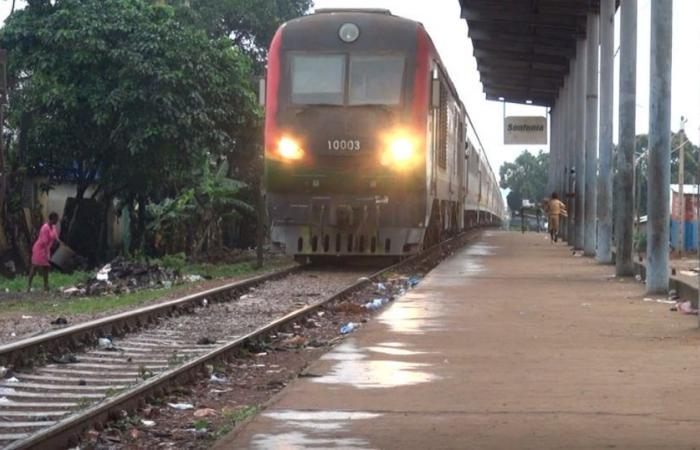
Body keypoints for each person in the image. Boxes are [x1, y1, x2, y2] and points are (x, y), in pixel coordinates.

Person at [27, 212, 60, 292]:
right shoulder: (45, 228)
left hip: (46, 248)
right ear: (51, 219)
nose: (56, 222)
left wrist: (58, 242)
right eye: (55, 220)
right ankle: (29, 286)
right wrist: (47, 254)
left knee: (46, 267)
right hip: (39, 249)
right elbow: (44, 242)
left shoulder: (53, 227)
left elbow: (55, 236)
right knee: (35, 266)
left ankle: (46, 286)